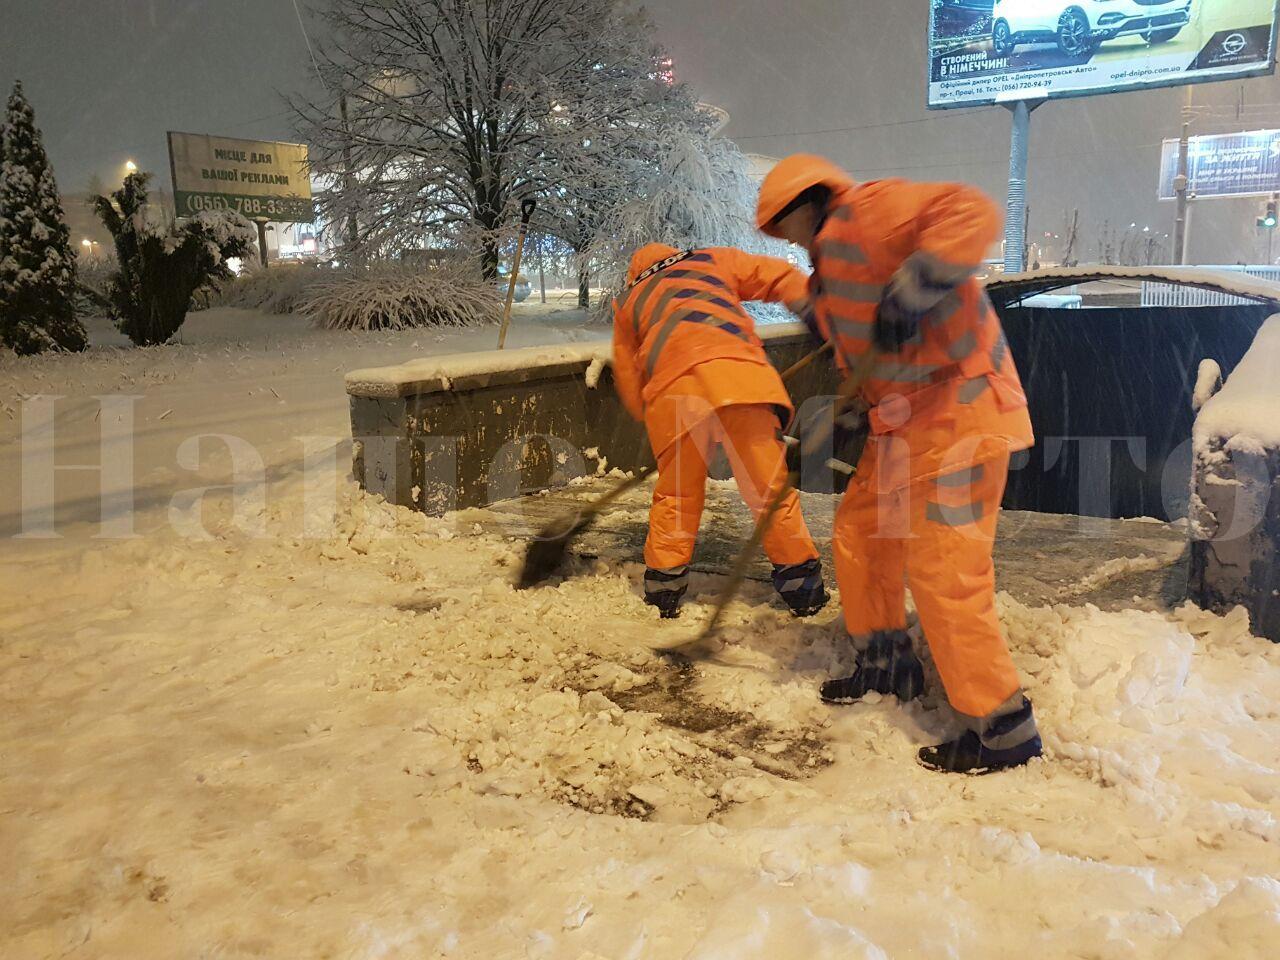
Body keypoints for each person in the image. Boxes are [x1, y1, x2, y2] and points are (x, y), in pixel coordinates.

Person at [755, 155, 1042, 774]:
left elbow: (972, 210)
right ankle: (886, 662)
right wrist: (857, 406)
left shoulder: (869, 211)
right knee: (861, 534)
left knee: (944, 568)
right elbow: (865, 354)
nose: (785, 237)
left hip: (961, 407)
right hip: (904, 423)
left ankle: (1001, 726)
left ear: (804, 204)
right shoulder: (830, 271)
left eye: (784, 224)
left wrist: (918, 283)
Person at [611, 243, 828, 621]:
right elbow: (773, 274)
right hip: (741, 380)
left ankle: (665, 587)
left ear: (635, 274)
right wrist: (809, 305)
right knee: (769, 490)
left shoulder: (630, 302)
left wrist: (650, 416)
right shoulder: (709, 260)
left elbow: (627, 374)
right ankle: (803, 587)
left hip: (675, 396)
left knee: (677, 495)